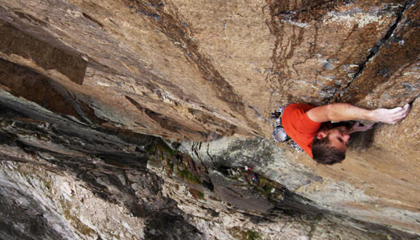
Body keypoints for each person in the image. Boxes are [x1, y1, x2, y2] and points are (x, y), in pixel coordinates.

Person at [281, 103, 411, 165]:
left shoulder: (303, 126)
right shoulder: (318, 151)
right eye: (346, 142)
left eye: (340, 138)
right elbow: (321, 158)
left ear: (320, 135)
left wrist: (372, 115)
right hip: (291, 129)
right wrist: (351, 130)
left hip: (291, 115)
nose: (348, 137)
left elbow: (329, 111)